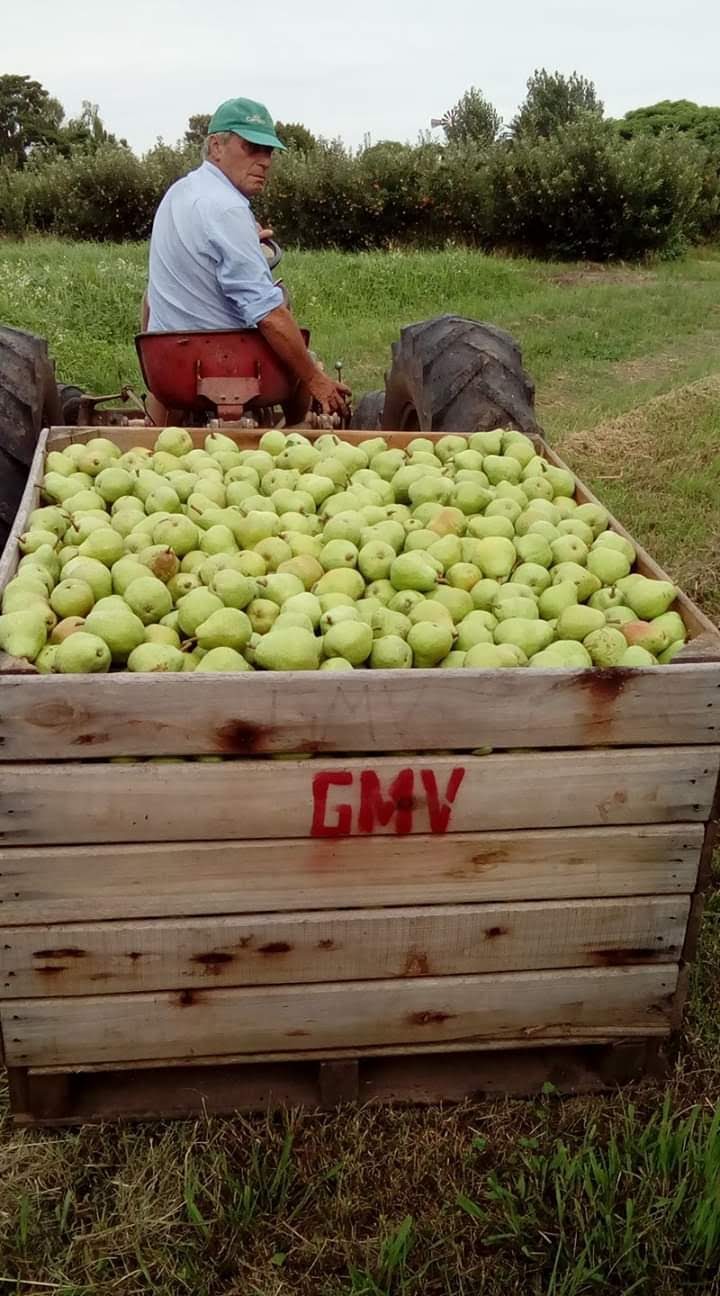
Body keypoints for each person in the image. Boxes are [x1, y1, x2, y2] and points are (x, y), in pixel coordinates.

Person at [146, 96, 350, 416]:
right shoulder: (227, 207)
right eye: (251, 147)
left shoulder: (180, 193)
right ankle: (300, 432)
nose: (265, 160)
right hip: (225, 364)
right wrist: (315, 379)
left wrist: (246, 241)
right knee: (288, 320)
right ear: (216, 146)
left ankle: (161, 418)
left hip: (168, 368)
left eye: (268, 151)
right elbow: (266, 313)